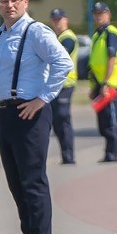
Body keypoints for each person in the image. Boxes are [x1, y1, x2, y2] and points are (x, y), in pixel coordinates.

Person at [0, 0, 73, 234]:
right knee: (16, 181)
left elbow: (63, 63)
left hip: (30, 114)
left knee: (32, 180)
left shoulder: (35, 31)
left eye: (14, 0)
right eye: (3, 1)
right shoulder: (0, 33)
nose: (9, 5)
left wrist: (43, 98)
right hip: (6, 114)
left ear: (25, 2)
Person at [88, 2, 117, 163]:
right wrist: (94, 86)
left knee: (111, 120)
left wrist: (106, 82)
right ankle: (108, 152)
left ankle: (112, 153)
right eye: (95, 13)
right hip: (99, 83)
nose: (98, 16)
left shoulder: (111, 33)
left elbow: (112, 58)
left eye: (101, 13)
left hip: (109, 83)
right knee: (103, 121)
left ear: (108, 14)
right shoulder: (98, 34)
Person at [48, 8, 78, 164]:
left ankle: (69, 156)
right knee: (57, 122)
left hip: (66, 84)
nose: (57, 23)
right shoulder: (57, 38)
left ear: (65, 19)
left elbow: (60, 56)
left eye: (59, 19)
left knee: (63, 118)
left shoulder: (68, 38)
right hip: (56, 85)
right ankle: (65, 155)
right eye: (54, 20)